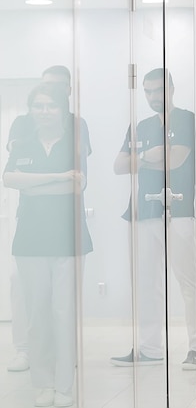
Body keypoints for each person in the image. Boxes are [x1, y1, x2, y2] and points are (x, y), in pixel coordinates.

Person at [2, 83, 93, 407]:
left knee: (63, 314)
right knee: (37, 315)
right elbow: (8, 179)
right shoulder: (23, 143)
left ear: (61, 109)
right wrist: (57, 177)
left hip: (68, 240)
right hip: (30, 241)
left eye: (50, 106)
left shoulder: (74, 143)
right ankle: (43, 384)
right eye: (38, 106)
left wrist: (34, 182)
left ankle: (65, 386)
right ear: (31, 110)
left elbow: (76, 186)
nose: (44, 111)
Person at [111, 68, 196, 370]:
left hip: (179, 211)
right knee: (147, 283)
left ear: (171, 88)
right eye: (147, 91)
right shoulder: (141, 126)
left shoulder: (187, 119)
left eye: (158, 90)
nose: (152, 97)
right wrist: (151, 155)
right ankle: (149, 348)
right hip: (144, 212)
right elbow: (119, 166)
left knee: (188, 282)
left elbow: (176, 160)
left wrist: (146, 158)